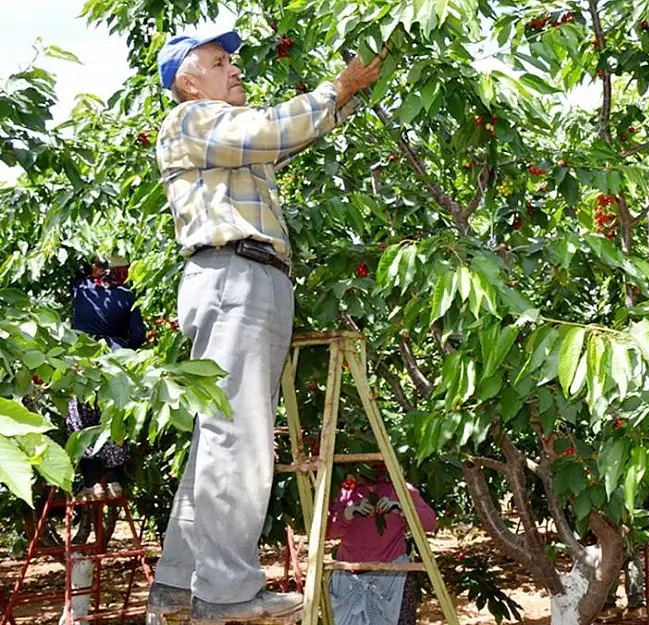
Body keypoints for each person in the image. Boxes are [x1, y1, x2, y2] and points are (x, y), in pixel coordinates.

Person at [144, 30, 387, 624]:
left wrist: (345, 97)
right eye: (218, 62)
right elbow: (268, 131)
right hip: (236, 276)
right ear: (187, 81)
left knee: (217, 436)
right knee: (239, 439)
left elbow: (282, 139)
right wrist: (339, 85)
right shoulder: (192, 119)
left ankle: (177, 582)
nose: (234, 69)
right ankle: (225, 592)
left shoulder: (223, 142)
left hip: (241, 278)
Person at [68, 256, 145, 501]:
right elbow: (139, 335)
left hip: (83, 360)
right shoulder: (128, 296)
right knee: (114, 418)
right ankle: (113, 480)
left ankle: (92, 484)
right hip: (116, 361)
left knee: (81, 418)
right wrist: (123, 345)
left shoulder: (80, 289)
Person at [327, 463, 437, 625]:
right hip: (350, 578)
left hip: (392, 579)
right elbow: (326, 532)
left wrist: (402, 509)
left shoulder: (400, 490)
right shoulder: (346, 491)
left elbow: (430, 523)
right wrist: (348, 514)